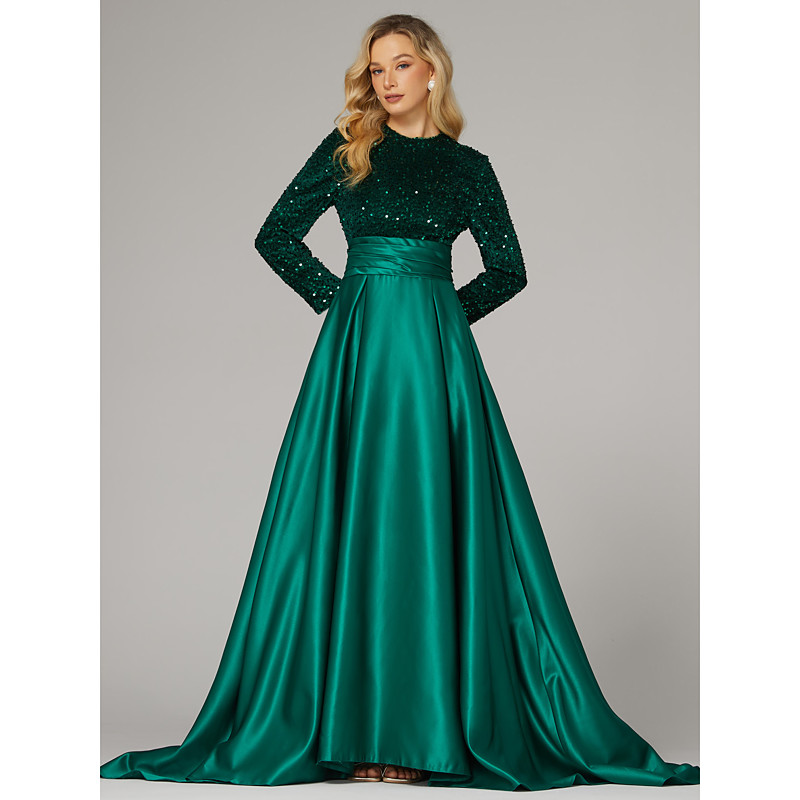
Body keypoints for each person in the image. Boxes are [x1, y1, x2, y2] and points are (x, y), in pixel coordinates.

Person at [100, 13, 700, 791]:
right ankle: (352, 732)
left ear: (432, 71)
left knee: (425, 523)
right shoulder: (347, 150)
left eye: (401, 65)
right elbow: (277, 234)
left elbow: (509, 268)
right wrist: (345, 301)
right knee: (348, 519)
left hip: (431, 362)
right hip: (357, 356)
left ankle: (420, 735)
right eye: (376, 68)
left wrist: (441, 317)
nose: (386, 80)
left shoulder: (469, 168)